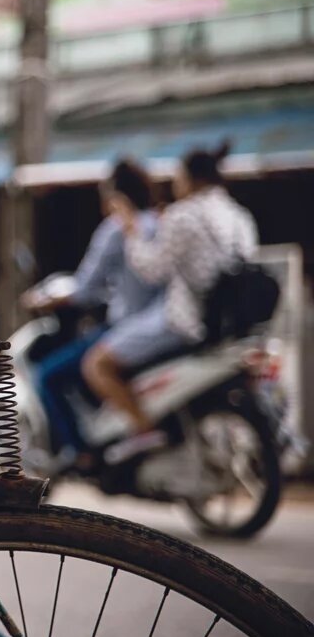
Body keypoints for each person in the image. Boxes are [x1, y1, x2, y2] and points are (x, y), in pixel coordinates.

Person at [84, 141, 258, 463]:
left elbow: (152, 271)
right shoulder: (240, 216)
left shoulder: (182, 215)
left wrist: (131, 227)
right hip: (229, 326)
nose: (175, 185)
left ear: (191, 178)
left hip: (184, 320)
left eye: (178, 177)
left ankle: (143, 428)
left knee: (96, 364)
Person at [24, 158, 160, 471]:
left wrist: (45, 299)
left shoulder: (118, 228)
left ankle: (80, 452)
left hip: (128, 327)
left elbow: (84, 288)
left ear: (116, 196)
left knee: (48, 374)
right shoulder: (159, 223)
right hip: (157, 324)